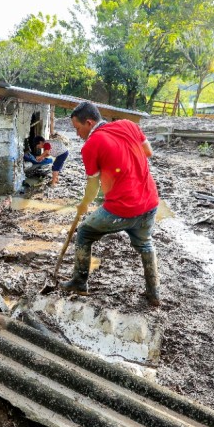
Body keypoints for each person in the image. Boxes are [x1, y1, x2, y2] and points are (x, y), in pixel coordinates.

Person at [60, 101, 161, 306]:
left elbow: (93, 188)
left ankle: (79, 282)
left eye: (78, 129)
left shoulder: (91, 145)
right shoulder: (128, 125)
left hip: (121, 208)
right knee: (145, 244)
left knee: (85, 233)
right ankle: (154, 294)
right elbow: (148, 152)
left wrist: (84, 205)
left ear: (89, 123)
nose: (78, 134)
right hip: (150, 202)